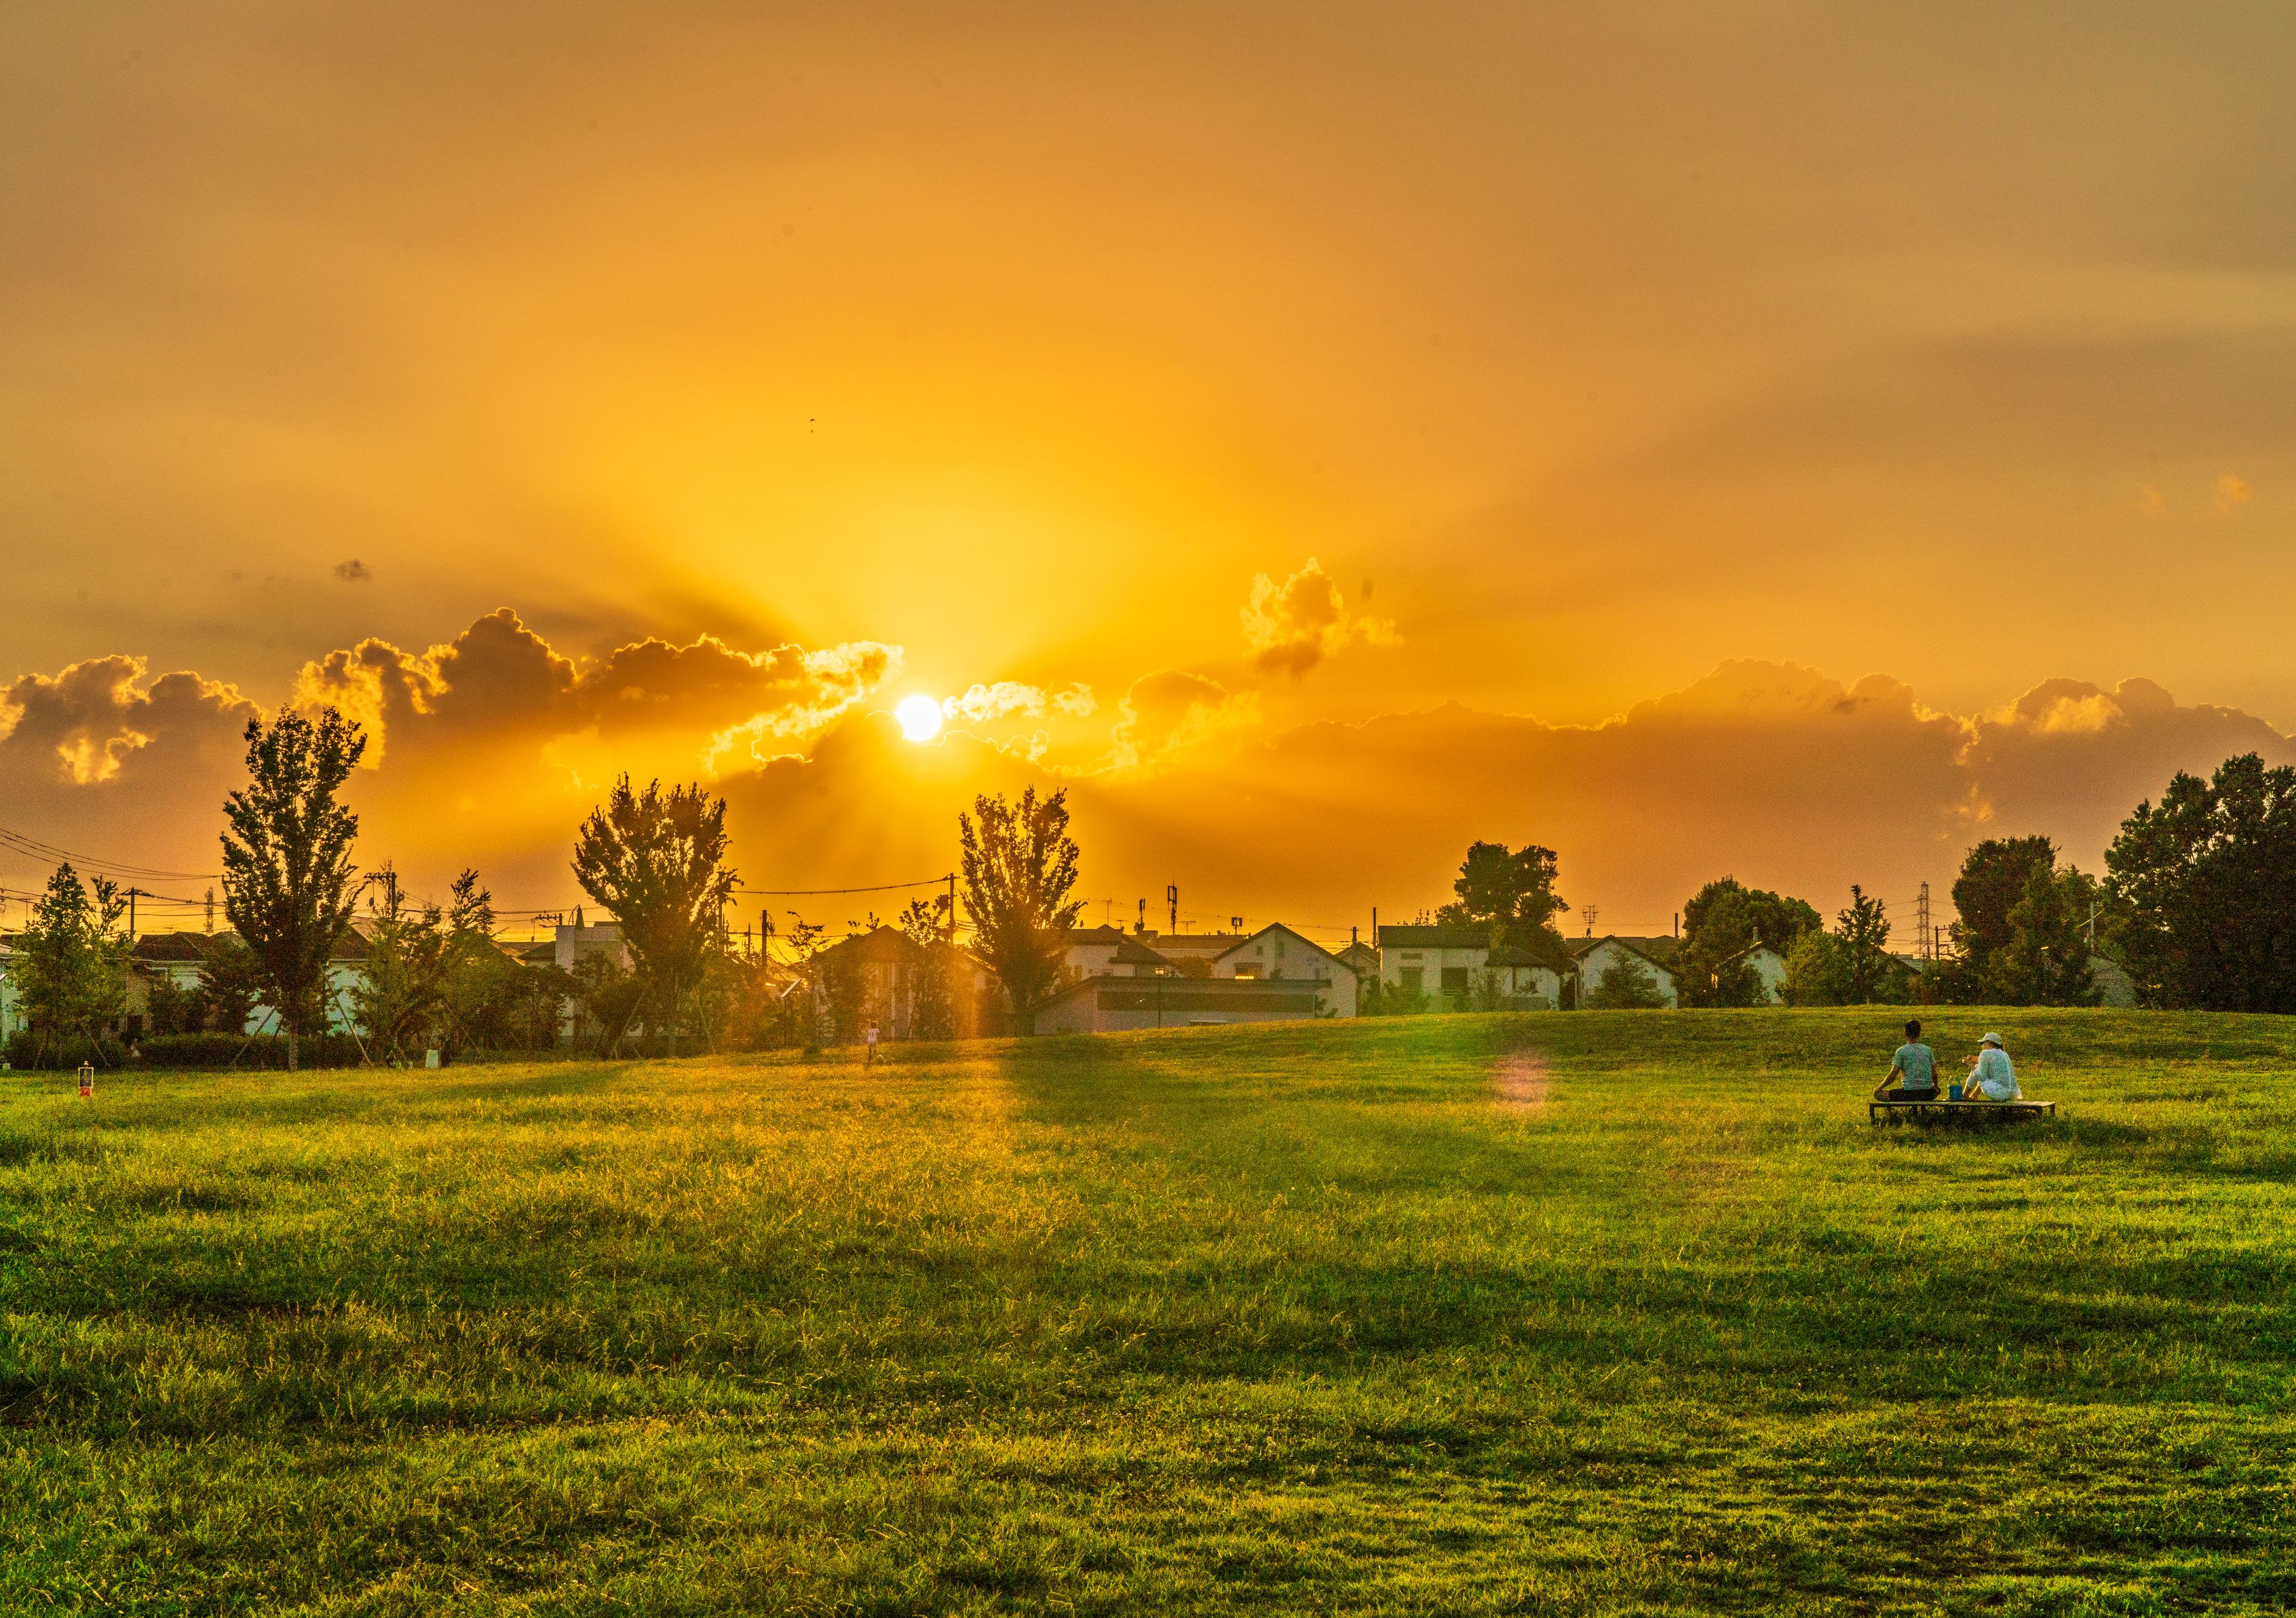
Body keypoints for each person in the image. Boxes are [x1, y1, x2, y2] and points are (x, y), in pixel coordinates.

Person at [1873, 1018, 1938, 1102]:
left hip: (1909, 1094)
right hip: (1927, 1094)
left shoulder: (1902, 1051)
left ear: (1905, 1033)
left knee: (1878, 1094)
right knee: (1936, 1091)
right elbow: (1934, 1073)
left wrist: (1880, 1088)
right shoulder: (1927, 1050)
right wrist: (1935, 1086)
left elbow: (1893, 1075)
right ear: (1919, 1034)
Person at [1965, 1032, 2020, 1101]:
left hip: (1999, 1094)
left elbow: (1982, 1077)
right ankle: (1973, 1096)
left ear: (1990, 1043)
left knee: (1977, 1067)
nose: (1982, 1046)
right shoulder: (2004, 1054)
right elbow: (1993, 1062)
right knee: (1984, 1069)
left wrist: (1970, 1065)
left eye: (1983, 1043)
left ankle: (1964, 1095)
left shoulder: (1985, 1053)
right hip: (2013, 1094)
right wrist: (1977, 1059)